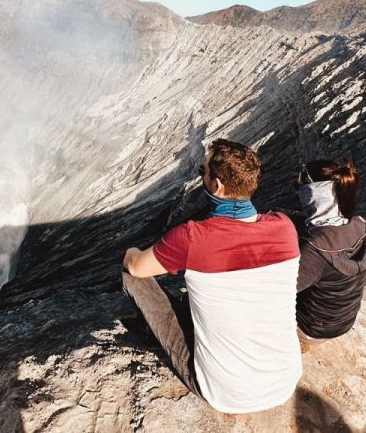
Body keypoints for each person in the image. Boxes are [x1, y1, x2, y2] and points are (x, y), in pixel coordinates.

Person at [122, 139, 303, 414]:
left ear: (217, 185)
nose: (201, 175)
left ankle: (147, 331)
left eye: (201, 171)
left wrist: (130, 251)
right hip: (284, 382)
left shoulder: (193, 237)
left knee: (132, 276)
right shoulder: (284, 229)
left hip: (225, 393)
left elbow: (136, 268)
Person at [293, 158, 366, 345]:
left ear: (314, 194)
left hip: (311, 327)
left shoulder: (315, 248)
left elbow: (278, 292)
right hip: (341, 321)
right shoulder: (362, 226)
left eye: (300, 186)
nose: (297, 190)